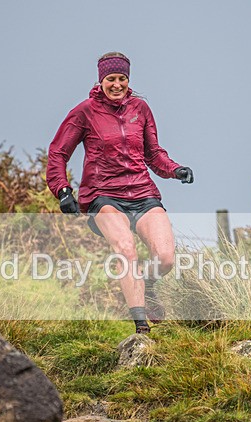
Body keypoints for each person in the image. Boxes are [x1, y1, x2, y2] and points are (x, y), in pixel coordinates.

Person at [47, 52, 193, 335]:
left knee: (165, 258)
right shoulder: (84, 112)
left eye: (122, 79)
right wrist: (62, 190)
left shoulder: (140, 109)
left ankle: (148, 287)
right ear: (101, 80)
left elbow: (154, 154)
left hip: (142, 192)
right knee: (126, 249)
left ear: (128, 80)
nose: (117, 84)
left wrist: (175, 170)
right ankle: (141, 329)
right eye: (111, 79)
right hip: (103, 196)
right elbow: (58, 152)